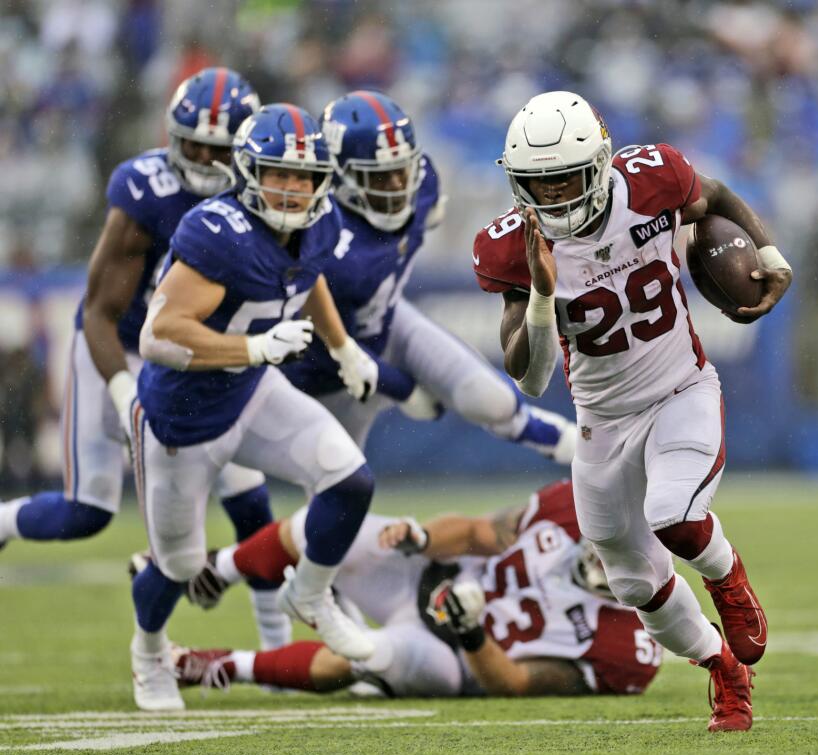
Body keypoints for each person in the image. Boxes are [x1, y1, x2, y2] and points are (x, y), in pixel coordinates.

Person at [472, 91, 793, 731]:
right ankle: (726, 673)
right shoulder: (511, 247)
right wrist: (540, 294)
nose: (557, 195)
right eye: (540, 183)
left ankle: (728, 577)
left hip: (680, 390)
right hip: (601, 423)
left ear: (600, 161)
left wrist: (772, 255)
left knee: (673, 513)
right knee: (633, 585)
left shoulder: (650, 180)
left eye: (567, 176)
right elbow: (531, 378)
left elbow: (717, 196)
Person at [0, 72, 279, 632]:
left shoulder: (264, 195)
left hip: (201, 353)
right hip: (125, 348)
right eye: (191, 141)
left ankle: (273, 629)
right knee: (87, 513)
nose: (200, 156)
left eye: (215, 146)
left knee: (248, 490)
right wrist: (125, 389)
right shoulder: (146, 190)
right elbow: (100, 312)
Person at [128, 103, 384, 711]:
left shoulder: (318, 225)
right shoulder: (217, 232)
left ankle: (312, 594)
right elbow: (157, 338)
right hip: (180, 421)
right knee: (179, 564)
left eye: (304, 177)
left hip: (250, 393)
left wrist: (344, 348)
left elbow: (309, 274)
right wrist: (255, 346)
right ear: (247, 172)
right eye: (279, 174)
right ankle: (148, 652)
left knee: (349, 480)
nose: (294, 190)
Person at [279, 89, 576, 462]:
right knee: (341, 482)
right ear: (338, 176)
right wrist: (401, 389)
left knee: (491, 400)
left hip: (387, 319)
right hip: (328, 368)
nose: (397, 186)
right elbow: (333, 346)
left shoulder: (423, 184)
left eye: (400, 170)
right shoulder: (325, 238)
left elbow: (427, 216)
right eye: (380, 177)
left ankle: (564, 443)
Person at [165, 480, 662, 699]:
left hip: (454, 655)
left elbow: (514, 684)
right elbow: (474, 533)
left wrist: (469, 631)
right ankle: (218, 571)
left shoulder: (630, 648)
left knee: (359, 655)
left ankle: (215, 665)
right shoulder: (574, 510)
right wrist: (421, 538)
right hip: (430, 576)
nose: (600, 550)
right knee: (321, 526)